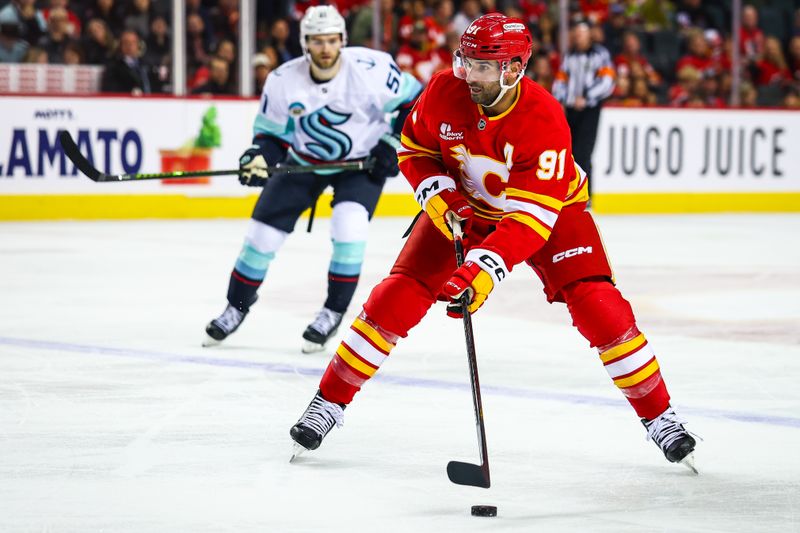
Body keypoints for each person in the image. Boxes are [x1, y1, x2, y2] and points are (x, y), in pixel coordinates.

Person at [289, 14, 697, 472]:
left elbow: (529, 220)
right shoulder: (446, 88)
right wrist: (438, 195)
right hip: (467, 210)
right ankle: (328, 403)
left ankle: (660, 416)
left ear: (513, 70)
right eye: (466, 61)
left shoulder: (543, 118)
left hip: (552, 214)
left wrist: (481, 271)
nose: (470, 75)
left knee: (600, 307)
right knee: (395, 297)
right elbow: (414, 148)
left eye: (484, 67)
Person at [203, 5, 422, 353]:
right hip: (304, 162)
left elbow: (416, 101)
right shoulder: (283, 80)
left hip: (361, 165)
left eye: (332, 41)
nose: (325, 48)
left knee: (349, 228)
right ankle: (236, 307)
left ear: (343, 41)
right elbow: (272, 139)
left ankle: (332, 312)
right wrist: (259, 157)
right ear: (305, 42)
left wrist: (393, 142)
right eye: (317, 41)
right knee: (261, 237)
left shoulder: (371, 69)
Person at [551, 22, 615, 199]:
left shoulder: (600, 54)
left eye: (582, 33)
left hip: (590, 109)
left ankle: (585, 195)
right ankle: (568, 193)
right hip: (570, 109)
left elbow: (607, 81)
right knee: (568, 151)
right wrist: (560, 100)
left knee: (584, 151)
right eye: (576, 33)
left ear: (589, 36)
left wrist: (587, 97)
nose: (578, 37)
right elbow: (560, 80)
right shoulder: (569, 56)